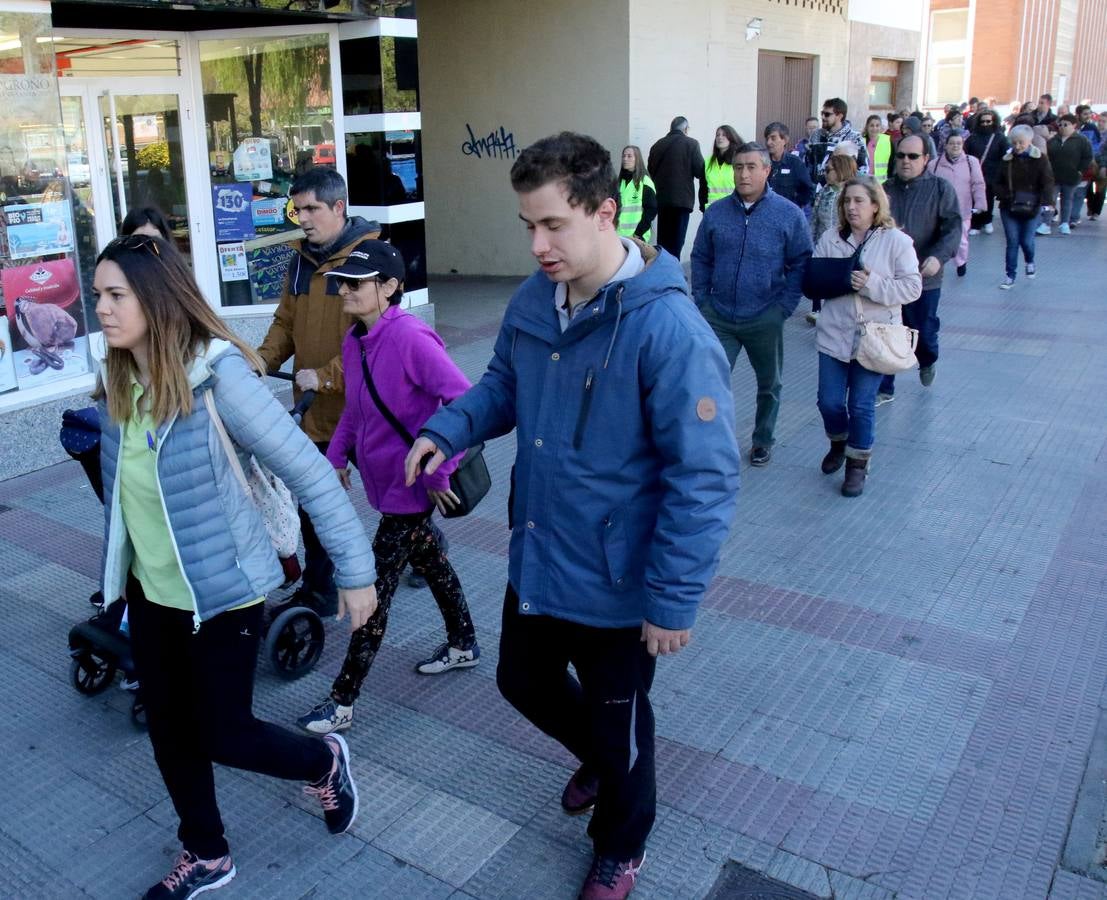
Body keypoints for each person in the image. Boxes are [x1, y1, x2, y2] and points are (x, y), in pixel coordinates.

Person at [403, 131, 740, 900]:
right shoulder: (533, 299)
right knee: (520, 680)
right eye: (527, 225)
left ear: (604, 211)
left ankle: (622, 844)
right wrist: (445, 429)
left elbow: (705, 477)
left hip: (622, 582)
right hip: (542, 553)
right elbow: (500, 384)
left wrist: (673, 599)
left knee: (623, 727)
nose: (537, 244)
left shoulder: (667, 329)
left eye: (552, 224)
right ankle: (600, 756)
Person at [93, 234, 377, 899]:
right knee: (168, 728)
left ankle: (322, 761)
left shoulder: (219, 378)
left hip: (225, 592)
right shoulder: (116, 379)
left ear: (157, 301)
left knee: (223, 732)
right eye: (98, 295)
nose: (101, 309)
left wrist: (354, 570)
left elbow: (310, 472)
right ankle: (208, 852)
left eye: (115, 296)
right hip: (154, 592)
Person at [297, 240, 480, 736]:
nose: (345, 291)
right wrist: (334, 459)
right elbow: (355, 411)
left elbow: (465, 403)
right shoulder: (355, 341)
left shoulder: (412, 338)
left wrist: (440, 472)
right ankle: (464, 642)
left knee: (372, 593)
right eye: (343, 283)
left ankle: (342, 701)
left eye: (356, 283)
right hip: (386, 483)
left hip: (413, 488)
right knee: (433, 562)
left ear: (390, 287)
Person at [257, 167, 381, 614]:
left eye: (312, 208)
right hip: (314, 414)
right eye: (298, 209)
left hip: (367, 411)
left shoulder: (369, 260)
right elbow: (286, 324)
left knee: (394, 500)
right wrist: (260, 362)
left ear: (339, 208)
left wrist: (327, 376)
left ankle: (424, 552)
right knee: (315, 503)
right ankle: (320, 589)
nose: (303, 218)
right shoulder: (301, 261)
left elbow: (374, 339)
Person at [691, 142, 813, 466]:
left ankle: (762, 439)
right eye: (738, 167)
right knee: (708, 380)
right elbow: (701, 257)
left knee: (769, 383)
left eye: (751, 167)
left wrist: (784, 307)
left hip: (765, 316)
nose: (743, 174)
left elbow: (802, 260)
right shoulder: (716, 212)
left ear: (766, 170)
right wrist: (702, 299)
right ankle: (710, 441)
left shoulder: (787, 214)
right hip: (719, 315)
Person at [813, 177, 921, 496]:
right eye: (847, 201)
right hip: (834, 334)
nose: (851, 207)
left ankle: (857, 466)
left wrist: (872, 284)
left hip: (874, 338)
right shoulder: (831, 238)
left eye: (859, 201)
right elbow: (816, 279)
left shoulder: (896, 241)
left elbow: (912, 287)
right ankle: (839, 441)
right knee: (829, 402)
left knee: (861, 405)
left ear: (876, 205)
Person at [876, 135, 961, 404]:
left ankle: (927, 359)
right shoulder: (885, 189)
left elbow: (953, 228)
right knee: (888, 330)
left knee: (922, 329)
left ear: (926, 159)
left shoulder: (940, 189)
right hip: (889, 279)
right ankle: (885, 386)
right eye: (900, 156)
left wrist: (938, 257)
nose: (905, 161)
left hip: (925, 278)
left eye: (913, 156)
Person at [994, 124, 1055, 290]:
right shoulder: (1007, 159)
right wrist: (1004, 193)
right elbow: (997, 181)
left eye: (1021, 142)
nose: (1017, 146)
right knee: (1012, 241)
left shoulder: (1040, 159)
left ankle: (1030, 261)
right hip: (1009, 206)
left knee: (1027, 241)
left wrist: (1046, 203)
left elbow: (1048, 182)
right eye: (1014, 142)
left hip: (1031, 206)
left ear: (1029, 141)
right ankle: (1010, 275)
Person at [927, 129, 986, 277]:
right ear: (945, 145)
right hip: (939, 210)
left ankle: (961, 262)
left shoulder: (971, 162)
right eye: (952, 143)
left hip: (962, 209)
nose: (955, 146)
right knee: (938, 238)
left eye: (959, 143)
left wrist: (979, 204)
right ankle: (937, 263)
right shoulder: (934, 164)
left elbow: (978, 183)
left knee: (961, 240)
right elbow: (928, 186)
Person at [807, 154, 858, 325]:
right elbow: (814, 218)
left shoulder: (850, 194)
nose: (825, 173)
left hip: (844, 246)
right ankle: (816, 309)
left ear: (840, 171)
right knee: (819, 275)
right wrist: (811, 240)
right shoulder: (824, 191)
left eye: (829, 170)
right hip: (823, 243)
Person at [647, 116, 705, 259]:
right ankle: (673, 275)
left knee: (664, 242)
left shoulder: (657, 145)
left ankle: (663, 272)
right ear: (685, 129)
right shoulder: (691, 144)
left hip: (661, 201)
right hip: (682, 202)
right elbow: (700, 171)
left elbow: (650, 171)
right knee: (677, 242)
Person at [965, 108, 1009, 234]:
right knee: (975, 198)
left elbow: (1006, 154)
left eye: (988, 121)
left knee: (989, 198)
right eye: (982, 122)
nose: (985, 124)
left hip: (992, 174)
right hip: (975, 173)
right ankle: (976, 224)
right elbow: (966, 154)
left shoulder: (999, 138)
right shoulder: (972, 138)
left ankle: (987, 220)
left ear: (993, 122)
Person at [1047, 115, 1093, 234]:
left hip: (1071, 176)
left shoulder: (1081, 140)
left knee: (1067, 200)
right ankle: (1045, 223)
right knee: (1050, 200)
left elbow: (1087, 157)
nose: (1062, 127)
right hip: (1054, 176)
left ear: (1074, 126)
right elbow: (1047, 156)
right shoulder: (1053, 140)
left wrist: (1080, 170)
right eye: (1060, 124)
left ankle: (1064, 223)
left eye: (1065, 124)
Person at [807, 97, 867, 182]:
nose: (823, 117)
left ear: (839, 116)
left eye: (827, 114)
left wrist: (847, 188)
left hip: (840, 190)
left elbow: (863, 168)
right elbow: (808, 162)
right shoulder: (816, 135)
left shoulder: (854, 138)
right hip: (816, 191)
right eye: (822, 113)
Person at [765, 122, 814, 209]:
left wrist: (794, 206)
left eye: (773, 138)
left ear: (785, 140)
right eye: (767, 139)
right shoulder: (762, 162)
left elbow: (807, 189)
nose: (769, 142)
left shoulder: (795, 163)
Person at [617, 145, 657, 242]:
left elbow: (651, 210)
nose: (625, 159)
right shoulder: (619, 182)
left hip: (637, 236)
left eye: (629, 156)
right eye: (624, 156)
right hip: (619, 235)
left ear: (637, 159)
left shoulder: (645, 182)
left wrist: (638, 234)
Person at [700, 125, 742, 211]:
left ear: (731, 138)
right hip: (712, 211)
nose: (720, 138)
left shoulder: (738, 162)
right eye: (718, 135)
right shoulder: (708, 163)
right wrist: (703, 208)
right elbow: (703, 190)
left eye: (724, 135)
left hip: (732, 210)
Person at [863, 115, 893, 181]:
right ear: (867, 127)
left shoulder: (887, 140)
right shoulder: (861, 141)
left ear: (881, 127)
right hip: (864, 181)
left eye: (877, 125)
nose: (874, 128)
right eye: (872, 125)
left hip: (882, 182)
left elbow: (892, 162)